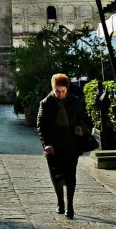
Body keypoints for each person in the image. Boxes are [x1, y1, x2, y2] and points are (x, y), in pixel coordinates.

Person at [37, 72, 92, 219]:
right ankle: (60, 203)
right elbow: (41, 126)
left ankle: (70, 206)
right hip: (54, 145)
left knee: (70, 174)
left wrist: (80, 127)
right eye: (57, 91)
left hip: (71, 143)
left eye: (63, 91)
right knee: (56, 176)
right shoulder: (46, 103)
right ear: (53, 88)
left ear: (67, 89)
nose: (60, 94)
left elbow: (82, 118)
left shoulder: (74, 101)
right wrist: (46, 144)